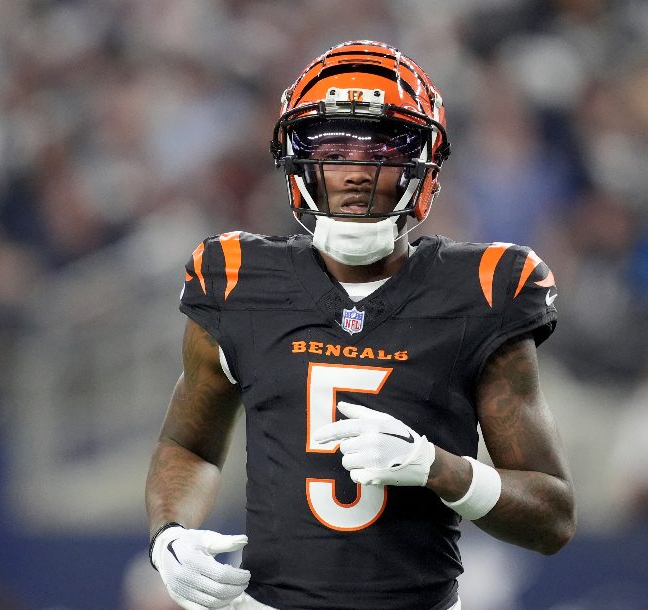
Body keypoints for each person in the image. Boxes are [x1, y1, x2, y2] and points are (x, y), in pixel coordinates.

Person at [145, 40, 575, 610]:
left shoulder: (484, 291)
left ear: (421, 166)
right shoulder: (237, 280)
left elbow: (552, 517)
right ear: (301, 163)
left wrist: (437, 468)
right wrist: (170, 532)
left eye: (381, 151)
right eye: (335, 150)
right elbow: (188, 445)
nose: (356, 172)